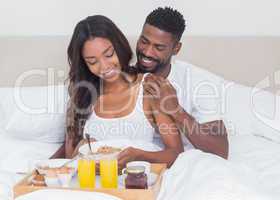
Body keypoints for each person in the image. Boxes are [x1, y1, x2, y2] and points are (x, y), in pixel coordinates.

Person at [51, 15, 183, 168]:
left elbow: (176, 153)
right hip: (95, 184)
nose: (104, 66)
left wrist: (139, 155)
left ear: (119, 46)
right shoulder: (82, 95)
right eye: (92, 62)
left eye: (109, 55)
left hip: (136, 183)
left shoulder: (149, 88)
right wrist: (81, 150)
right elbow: (69, 160)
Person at [135, 7, 229, 159]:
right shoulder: (124, 74)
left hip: (181, 162)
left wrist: (176, 110)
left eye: (158, 47)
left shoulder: (196, 80)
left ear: (176, 49)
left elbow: (221, 150)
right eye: (144, 41)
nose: (147, 52)